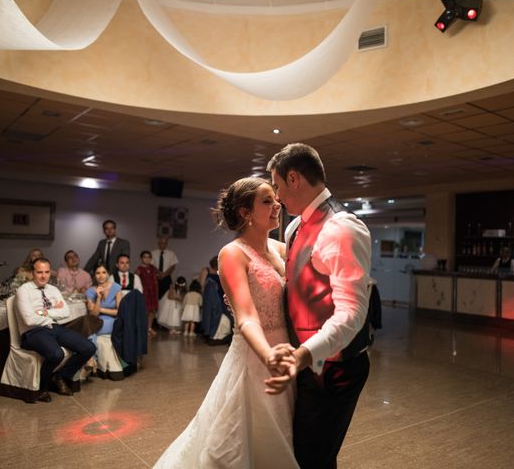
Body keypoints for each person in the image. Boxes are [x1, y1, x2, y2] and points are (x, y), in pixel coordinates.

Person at [152, 177, 298, 468]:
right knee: (237, 443)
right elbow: (246, 316)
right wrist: (267, 354)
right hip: (254, 356)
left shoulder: (281, 249)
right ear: (245, 212)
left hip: (286, 351)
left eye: (276, 199)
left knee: (284, 433)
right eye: (267, 201)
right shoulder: (232, 254)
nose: (277, 205)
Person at [267, 142, 372, 469]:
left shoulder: (342, 227)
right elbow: (298, 276)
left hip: (336, 369)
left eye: (277, 184)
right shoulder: (296, 225)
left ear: (294, 178)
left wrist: (304, 354)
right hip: (308, 365)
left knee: (311, 457)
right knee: (306, 453)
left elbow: (352, 313)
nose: (276, 195)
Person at [15, 258, 96, 402]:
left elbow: (65, 312)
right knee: (56, 354)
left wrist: (42, 312)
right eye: (39, 272)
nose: (43, 276)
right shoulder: (23, 291)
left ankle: (61, 376)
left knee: (88, 347)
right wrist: (52, 312)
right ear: (32, 273)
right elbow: (29, 319)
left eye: (46, 272)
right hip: (33, 332)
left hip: (55, 327)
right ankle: (42, 387)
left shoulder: (53, 289)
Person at [86, 264, 122, 344]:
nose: (101, 275)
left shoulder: (116, 287)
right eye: (97, 273)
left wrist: (101, 309)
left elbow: (120, 312)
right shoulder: (90, 291)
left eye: (103, 272)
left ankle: (93, 354)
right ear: (94, 276)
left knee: (90, 329)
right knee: (88, 327)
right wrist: (98, 298)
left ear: (108, 274)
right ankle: (92, 354)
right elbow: (94, 314)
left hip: (113, 320)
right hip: (97, 320)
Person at [135, 250, 159, 337]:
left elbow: (157, 277)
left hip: (153, 292)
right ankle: (143, 329)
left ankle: (149, 328)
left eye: (149, 257)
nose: (147, 259)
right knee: (144, 311)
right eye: (145, 257)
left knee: (152, 311)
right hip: (144, 292)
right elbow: (136, 281)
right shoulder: (139, 269)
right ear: (141, 258)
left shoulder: (153, 268)